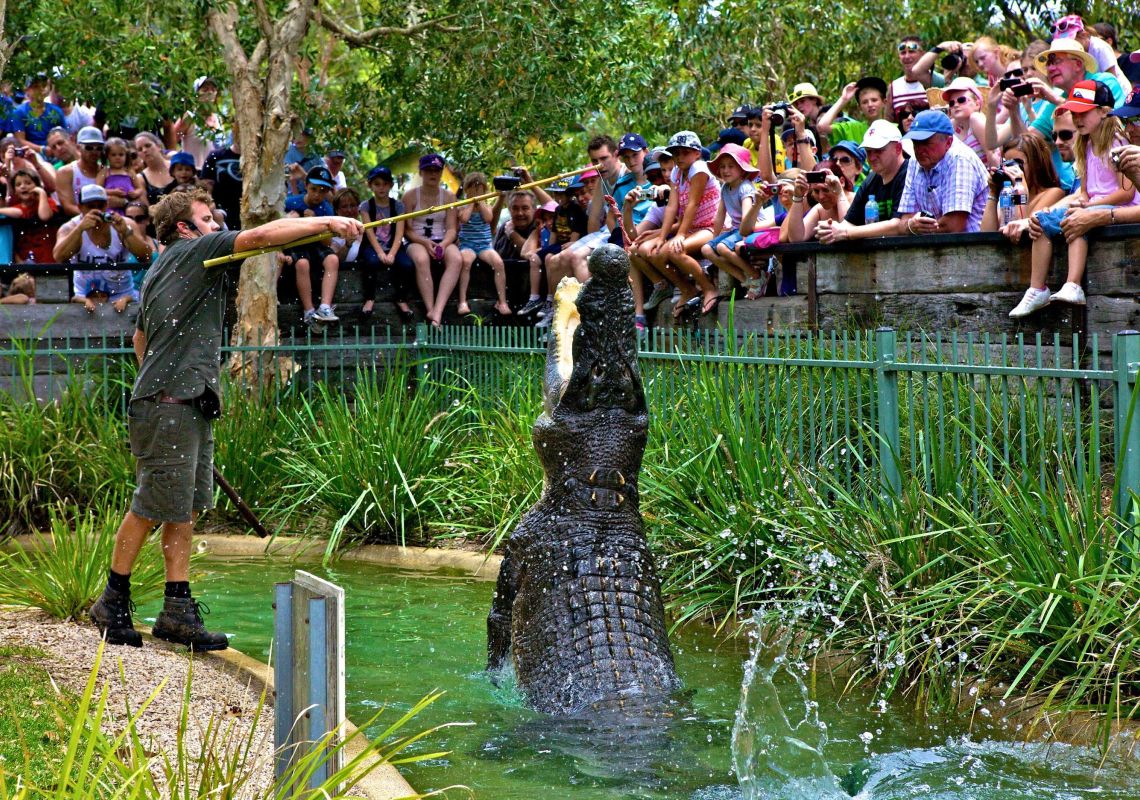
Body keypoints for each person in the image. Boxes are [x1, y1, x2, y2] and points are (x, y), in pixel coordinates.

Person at [89, 188, 363, 650]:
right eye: (208, 219)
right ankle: (111, 601)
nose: (216, 225)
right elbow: (262, 236)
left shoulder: (162, 267)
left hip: (183, 403)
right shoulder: (196, 250)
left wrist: (167, 381)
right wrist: (328, 223)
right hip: (170, 406)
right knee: (151, 503)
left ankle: (176, 609)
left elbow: (140, 338)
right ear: (185, 228)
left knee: (184, 506)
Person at [1010, 80, 1139, 318]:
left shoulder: (1117, 140)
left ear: (1103, 111)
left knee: (1079, 217)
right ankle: (1037, 288)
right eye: (1075, 112)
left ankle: (1073, 283)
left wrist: (1090, 205)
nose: (1078, 118)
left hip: (1119, 206)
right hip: (1094, 205)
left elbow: (1127, 193)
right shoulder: (1085, 143)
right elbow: (1087, 190)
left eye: (1084, 112)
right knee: (1040, 220)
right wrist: (1084, 200)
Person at [653, 130, 722, 317]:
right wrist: (661, 237)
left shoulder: (699, 169)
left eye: (685, 152)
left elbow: (693, 203)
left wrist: (680, 235)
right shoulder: (676, 171)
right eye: (676, 153)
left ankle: (709, 288)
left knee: (676, 251)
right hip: (693, 228)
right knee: (658, 253)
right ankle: (687, 289)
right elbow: (672, 206)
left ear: (697, 153)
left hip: (712, 227)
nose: (679, 157)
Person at [54, 184, 151, 312]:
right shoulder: (70, 227)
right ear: (80, 207)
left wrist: (126, 233)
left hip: (123, 298)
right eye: (90, 207)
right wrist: (80, 229)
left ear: (107, 205)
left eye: (100, 206)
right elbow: (59, 257)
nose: (97, 210)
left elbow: (146, 257)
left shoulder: (125, 223)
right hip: (85, 300)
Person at [895, 110, 990, 235]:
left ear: (948, 142)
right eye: (915, 143)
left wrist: (915, 228)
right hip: (935, 247)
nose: (919, 149)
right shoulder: (915, 161)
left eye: (925, 143)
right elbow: (906, 219)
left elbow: (954, 225)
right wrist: (911, 226)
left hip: (974, 247)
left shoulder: (960, 159)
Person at [817, 120, 910, 243]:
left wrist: (846, 232)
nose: (872, 157)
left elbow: (899, 225)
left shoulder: (910, 174)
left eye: (878, 150)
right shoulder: (871, 179)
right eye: (868, 151)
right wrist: (830, 230)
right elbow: (849, 223)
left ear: (898, 148)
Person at [402, 153, 462, 328]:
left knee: (456, 259)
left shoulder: (450, 197)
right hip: (417, 240)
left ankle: (438, 310)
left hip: (442, 239)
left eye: (436, 170)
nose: (432, 174)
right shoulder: (410, 196)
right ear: (421, 173)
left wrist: (443, 244)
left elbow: (452, 228)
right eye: (428, 170)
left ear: (441, 172)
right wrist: (424, 242)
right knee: (421, 258)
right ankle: (430, 309)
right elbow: (408, 229)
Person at [283, 164, 341, 323]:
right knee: (302, 264)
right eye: (314, 189)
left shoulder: (326, 209)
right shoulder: (290, 203)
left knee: (333, 259)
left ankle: (325, 307)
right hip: (296, 244)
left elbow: (327, 241)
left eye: (323, 191)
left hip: (317, 244)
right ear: (306, 186)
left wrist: (314, 222)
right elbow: (280, 229)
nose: (317, 194)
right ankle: (308, 310)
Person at [980, 134, 1065, 237]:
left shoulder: (1054, 193)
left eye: (1018, 163)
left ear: (1037, 164)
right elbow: (986, 234)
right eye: (1007, 164)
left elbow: (1020, 232)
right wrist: (993, 192)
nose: (1012, 169)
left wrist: (1020, 189)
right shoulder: (1007, 195)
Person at [358, 165, 414, 321]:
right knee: (371, 262)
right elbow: (369, 233)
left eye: (384, 184)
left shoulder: (398, 206)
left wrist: (392, 253)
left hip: (393, 246)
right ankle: (369, 298)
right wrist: (381, 253)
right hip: (373, 246)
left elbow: (399, 233)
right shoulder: (366, 206)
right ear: (370, 186)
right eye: (377, 184)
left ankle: (401, 298)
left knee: (407, 265)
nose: (381, 188)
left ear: (390, 185)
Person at [701, 143, 758, 287]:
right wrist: (714, 237)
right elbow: (720, 216)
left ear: (742, 169)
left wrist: (744, 239)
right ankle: (743, 278)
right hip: (736, 229)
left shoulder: (745, 187)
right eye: (722, 166)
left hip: (750, 228)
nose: (726, 170)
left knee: (722, 247)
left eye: (731, 166)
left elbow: (747, 217)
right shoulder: (725, 188)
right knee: (707, 249)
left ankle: (755, 275)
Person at [456, 172, 511, 317]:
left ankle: (502, 301)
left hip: (484, 245)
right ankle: (462, 300)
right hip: (467, 244)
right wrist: (470, 202)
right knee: (465, 261)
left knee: (498, 263)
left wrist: (480, 202)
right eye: (473, 189)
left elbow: (488, 218)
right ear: (466, 190)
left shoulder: (485, 205)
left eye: (479, 190)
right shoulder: (461, 206)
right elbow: (464, 219)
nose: (476, 192)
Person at [786, 160, 853, 242]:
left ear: (841, 182)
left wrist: (839, 193)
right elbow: (795, 238)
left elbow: (846, 229)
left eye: (825, 190)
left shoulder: (857, 200)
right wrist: (797, 197)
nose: (821, 197)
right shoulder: (820, 210)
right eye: (816, 191)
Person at [0, 168, 58, 263]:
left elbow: (44, 216)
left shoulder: (47, 202)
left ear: (37, 186)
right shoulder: (14, 208)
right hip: (25, 261)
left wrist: (42, 193)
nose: (23, 186)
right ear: (15, 191)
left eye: (28, 183)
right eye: (18, 185)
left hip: (48, 260)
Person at [169, 76, 226, 170]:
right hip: (195, 173)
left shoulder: (218, 118)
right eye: (205, 89)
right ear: (196, 94)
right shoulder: (189, 117)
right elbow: (171, 141)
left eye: (213, 89)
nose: (210, 92)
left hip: (216, 174)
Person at [817, 77, 888, 146]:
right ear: (860, 107)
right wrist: (844, 99)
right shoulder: (852, 128)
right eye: (864, 102)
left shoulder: (895, 129)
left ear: (884, 102)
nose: (870, 104)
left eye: (874, 100)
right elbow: (822, 126)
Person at [56, 126, 105, 217]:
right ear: (78, 148)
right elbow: (68, 207)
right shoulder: (66, 172)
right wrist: (95, 216)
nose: (94, 151)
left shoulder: (106, 170)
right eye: (89, 147)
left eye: (99, 148)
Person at [942, 77, 993, 165]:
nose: (956, 105)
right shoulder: (952, 126)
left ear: (977, 104)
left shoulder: (976, 119)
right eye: (951, 103)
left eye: (961, 100)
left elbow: (993, 154)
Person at [889, 35, 943, 116]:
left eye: (911, 51)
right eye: (903, 53)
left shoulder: (935, 81)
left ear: (923, 54)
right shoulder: (893, 87)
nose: (907, 56)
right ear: (898, 57)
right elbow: (888, 121)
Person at [12, 74, 65, 153]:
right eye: (36, 86)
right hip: (30, 155)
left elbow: (64, 136)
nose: (41, 89)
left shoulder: (56, 111)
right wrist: (42, 149)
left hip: (56, 152)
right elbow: (19, 141)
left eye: (43, 86)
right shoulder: (19, 112)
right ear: (27, 90)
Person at [100, 137, 145, 215]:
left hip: (129, 207)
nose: (117, 157)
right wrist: (113, 192)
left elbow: (140, 188)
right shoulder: (105, 172)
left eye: (121, 154)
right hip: (110, 207)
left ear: (126, 156)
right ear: (107, 156)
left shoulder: (129, 171)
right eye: (113, 155)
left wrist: (135, 193)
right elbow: (98, 189)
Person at [134, 131, 172, 205]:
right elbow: (146, 208)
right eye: (140, 149)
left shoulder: (176, 165)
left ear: (159, 146)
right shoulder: (140, 179)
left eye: (148, 145)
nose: (144, 150)